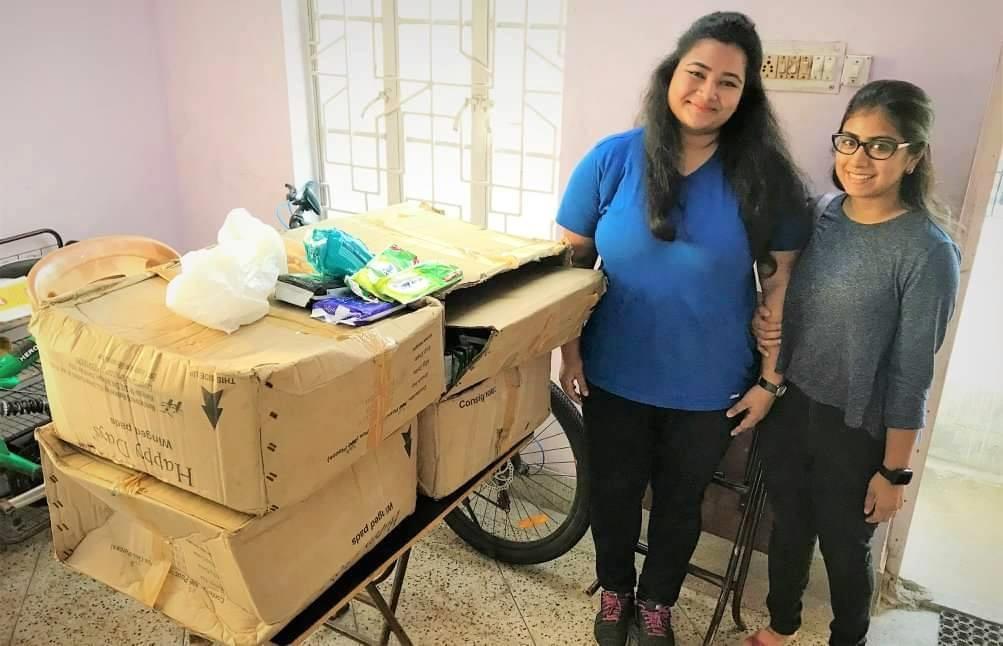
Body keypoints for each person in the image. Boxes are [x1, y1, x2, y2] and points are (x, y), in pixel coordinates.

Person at [556, 11, 811, 646]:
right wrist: (571, 352)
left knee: (679, 501)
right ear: (671, 74)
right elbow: (568, 269)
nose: (708, 92)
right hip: (613, 371)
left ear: (746, 94)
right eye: (697, 73)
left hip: (709, 385)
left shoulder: (767, 179)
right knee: (613, 493)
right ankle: (615, 591)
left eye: (729, 82)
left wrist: (770, 382)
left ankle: (658, 603)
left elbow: (780, 288)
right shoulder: (612, 160)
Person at [743, 80, 962, 646]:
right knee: (788, 526)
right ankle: (782, 626)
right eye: (849, 141)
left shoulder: (928, 252)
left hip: (857, 428)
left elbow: (913, 375)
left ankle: (850, 639)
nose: (859, 159)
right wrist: (768, 324)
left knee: (845, 548)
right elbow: (784, 293)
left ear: (913, 156)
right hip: (790, 405)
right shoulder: (819, 213)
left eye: (880, 145)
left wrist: (893, 473)